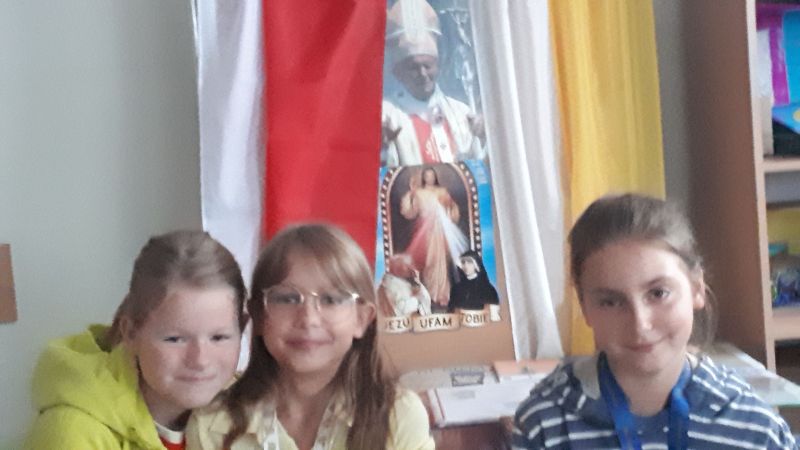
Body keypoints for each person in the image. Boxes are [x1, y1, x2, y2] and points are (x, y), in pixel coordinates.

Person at [512, 193, 798, 449]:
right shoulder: (545, 425)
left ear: (696, 289)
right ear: (585, 306)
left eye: (658, 293)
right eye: (610, 301)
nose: (640, 324)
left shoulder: (753, 429)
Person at [186, 223, 435, 449]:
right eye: (287, 298)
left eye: (331, 300)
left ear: (362, 319)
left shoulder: (398, 415)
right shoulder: (213, 422)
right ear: (259, 316)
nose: (308, 319)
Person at [24, 230, 247, 450]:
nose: (200, 360)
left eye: (219, 337)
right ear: (130, 333)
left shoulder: (247, 412)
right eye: (175, 339)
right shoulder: (71, 435)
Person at [381, 0, 485, 167]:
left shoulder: (461, 113)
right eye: (413, 67)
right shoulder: (386, 116)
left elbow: (479, 168)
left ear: (438, 64)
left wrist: (485, 136)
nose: (423, 74)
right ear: (398, 71)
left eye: (427, 65)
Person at [400, 166, 468, 308]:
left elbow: (452, 210)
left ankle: (441, 294)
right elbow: (410, 212)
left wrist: (448, 205)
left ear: (435, 177)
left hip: (439, 229)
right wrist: (411, 193)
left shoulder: (442, 191)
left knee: (439, 261)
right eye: (427, 175)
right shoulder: (419, 192)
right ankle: (429, 294)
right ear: (423, 177)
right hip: (424, 231)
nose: (429, 178)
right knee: (428, 262)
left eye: (431, 175)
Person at [447, 250, 499, 319]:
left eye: (469, 262)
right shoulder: (456, 289)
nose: (466, 265)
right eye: (463, 262)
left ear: (476, 265)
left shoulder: (488, 289)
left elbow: (494, 316)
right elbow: (451, 312)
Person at [379, 253, 433, 317]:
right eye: (407, 266)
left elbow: (425, 298)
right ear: (397, 269)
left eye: (411, 265)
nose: (411, 269)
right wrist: (417, 298)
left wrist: (417, 282)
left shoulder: (407, 282)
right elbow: (403, 308)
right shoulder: (391, 285)